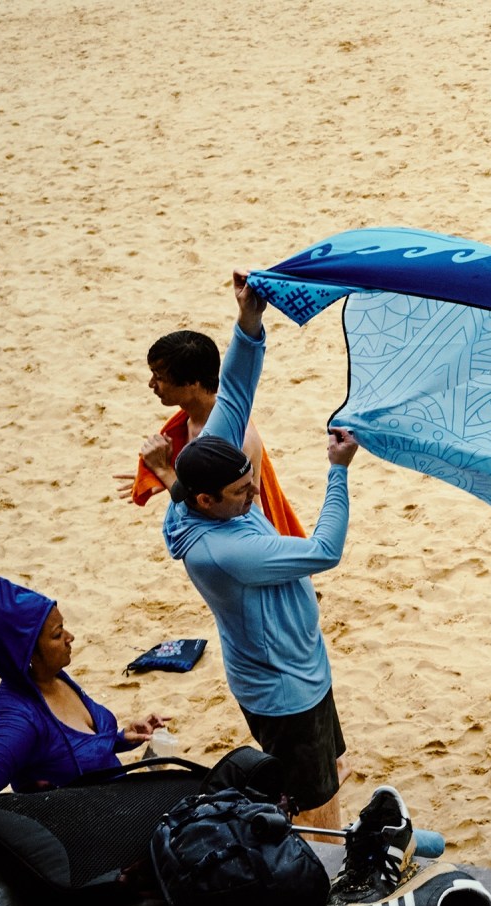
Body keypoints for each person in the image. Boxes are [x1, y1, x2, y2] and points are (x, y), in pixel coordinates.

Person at [160, 271, 358, 831]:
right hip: (286, 690)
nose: (255, 497)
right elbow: (324, 550)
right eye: (243, 492)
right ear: (205, 499)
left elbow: (236, 390)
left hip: (297, 665)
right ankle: (325, 858)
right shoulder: (226, 552)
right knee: (311, 808)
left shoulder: (205, 473)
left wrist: (249, 320)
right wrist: (338, 471)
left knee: (325, 772)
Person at [0, 575, 168, 793]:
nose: (70, 637)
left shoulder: (54, 676)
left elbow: (70, 752)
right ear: (28, 654)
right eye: (58, 634)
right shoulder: (19, 722)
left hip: (121, 801)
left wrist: (121, 738)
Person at [115, 329, 305, 537]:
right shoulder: (196, 418)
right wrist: (175, 475)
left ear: (192, 383)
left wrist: (164, 471)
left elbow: (219, 510)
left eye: (159, 378)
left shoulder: (233, 441)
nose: (152, 384)